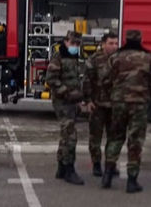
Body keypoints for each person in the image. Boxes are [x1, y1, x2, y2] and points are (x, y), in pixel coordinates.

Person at [102, 30, 151, 193]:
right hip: (139, 104)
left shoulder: (115, 57)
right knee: (135, 142)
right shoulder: (149, 58)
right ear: (141, 40)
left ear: (125, 40)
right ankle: (132, 181)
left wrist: (114, 95)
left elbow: (105, 80)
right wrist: (148, 97)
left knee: (115, 138)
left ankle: (107, 175)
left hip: (119, 103)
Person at [46, 30, 85, 185]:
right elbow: (51, 79)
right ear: (66, 41)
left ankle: (61, 168)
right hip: (62, 102)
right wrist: (67, 93)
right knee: (71, 136)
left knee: (65, 135)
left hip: (72, 102)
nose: (75, 46)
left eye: (77, 44)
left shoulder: (73, 57)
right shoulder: (59, 57)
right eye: (73, 43)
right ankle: (69, 169)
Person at [82, 32, 119, 177]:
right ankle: (96, 165)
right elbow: (87, 81)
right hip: (98, 105)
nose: (114, 46)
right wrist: (88, 100)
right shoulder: (95, 60)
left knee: (114, 138)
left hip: (115, 106)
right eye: (111, 43)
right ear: (103, 44)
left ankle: (111, 165)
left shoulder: (120, 60)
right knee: (95, 137)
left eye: (116, 43)